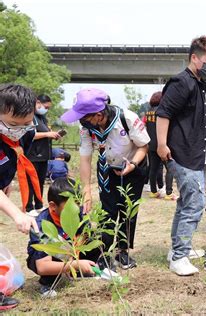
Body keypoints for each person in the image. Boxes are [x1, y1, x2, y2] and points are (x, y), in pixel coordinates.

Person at [61, 88, 150, 270]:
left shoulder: (127, 118)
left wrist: (132, 164)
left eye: (84, 117)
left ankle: (123, 252)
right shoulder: (86, 127)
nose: (81, 121)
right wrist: (86, 189)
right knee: (107, 213)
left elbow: (143, 147)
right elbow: (85, 157)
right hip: (107, 170)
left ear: (99, 115)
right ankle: (105, 253)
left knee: (128, 212)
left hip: (133, 167)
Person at [156, 36, 206, 276]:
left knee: (186, 203)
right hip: (181, 153)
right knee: (194, 203)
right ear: (194, 58)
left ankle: (177, 249)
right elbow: (164, 113)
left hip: (196, 155)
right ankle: (179, 255)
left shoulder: (200, 85)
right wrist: (162, 145)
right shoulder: (181, 83)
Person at [0, 83, 39, 310]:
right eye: (13, 124)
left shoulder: (27, 133)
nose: (19, 129)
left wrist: (6, 183)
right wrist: (17, 214)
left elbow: (14, 157)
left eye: (26, 123)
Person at [26, 178, 100, 298]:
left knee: (100, 237)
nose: (75, 211)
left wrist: (76, 255)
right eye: (69, 207)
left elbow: (85, 236)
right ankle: (48, 283)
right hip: (55, 257)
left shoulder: (78, 213)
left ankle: (84, 270)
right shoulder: (41, 226)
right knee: (54, 250)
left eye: (77, 204)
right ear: (53, 206)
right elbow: (42, 266)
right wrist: (75, 264)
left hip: (74, 251)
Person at [26, 95, 62, 216]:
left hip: (43, 155)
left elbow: (45, 133)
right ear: (38, 102)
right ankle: (28, 207)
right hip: (32, 155)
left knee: (40, 181)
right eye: (45, 107)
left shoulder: (42, 118)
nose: (46, 109)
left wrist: (52, 134)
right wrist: (47, 134)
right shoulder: (29, 116)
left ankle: (39, 205)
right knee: (31, 181)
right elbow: (30, 135)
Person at [145, 92, 176, 200]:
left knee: (153, 168)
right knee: (170, 168)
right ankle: (169, 193)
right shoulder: (162, 111)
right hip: (162, 145)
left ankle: (153, 191)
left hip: (151, 145)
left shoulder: (148, 113)